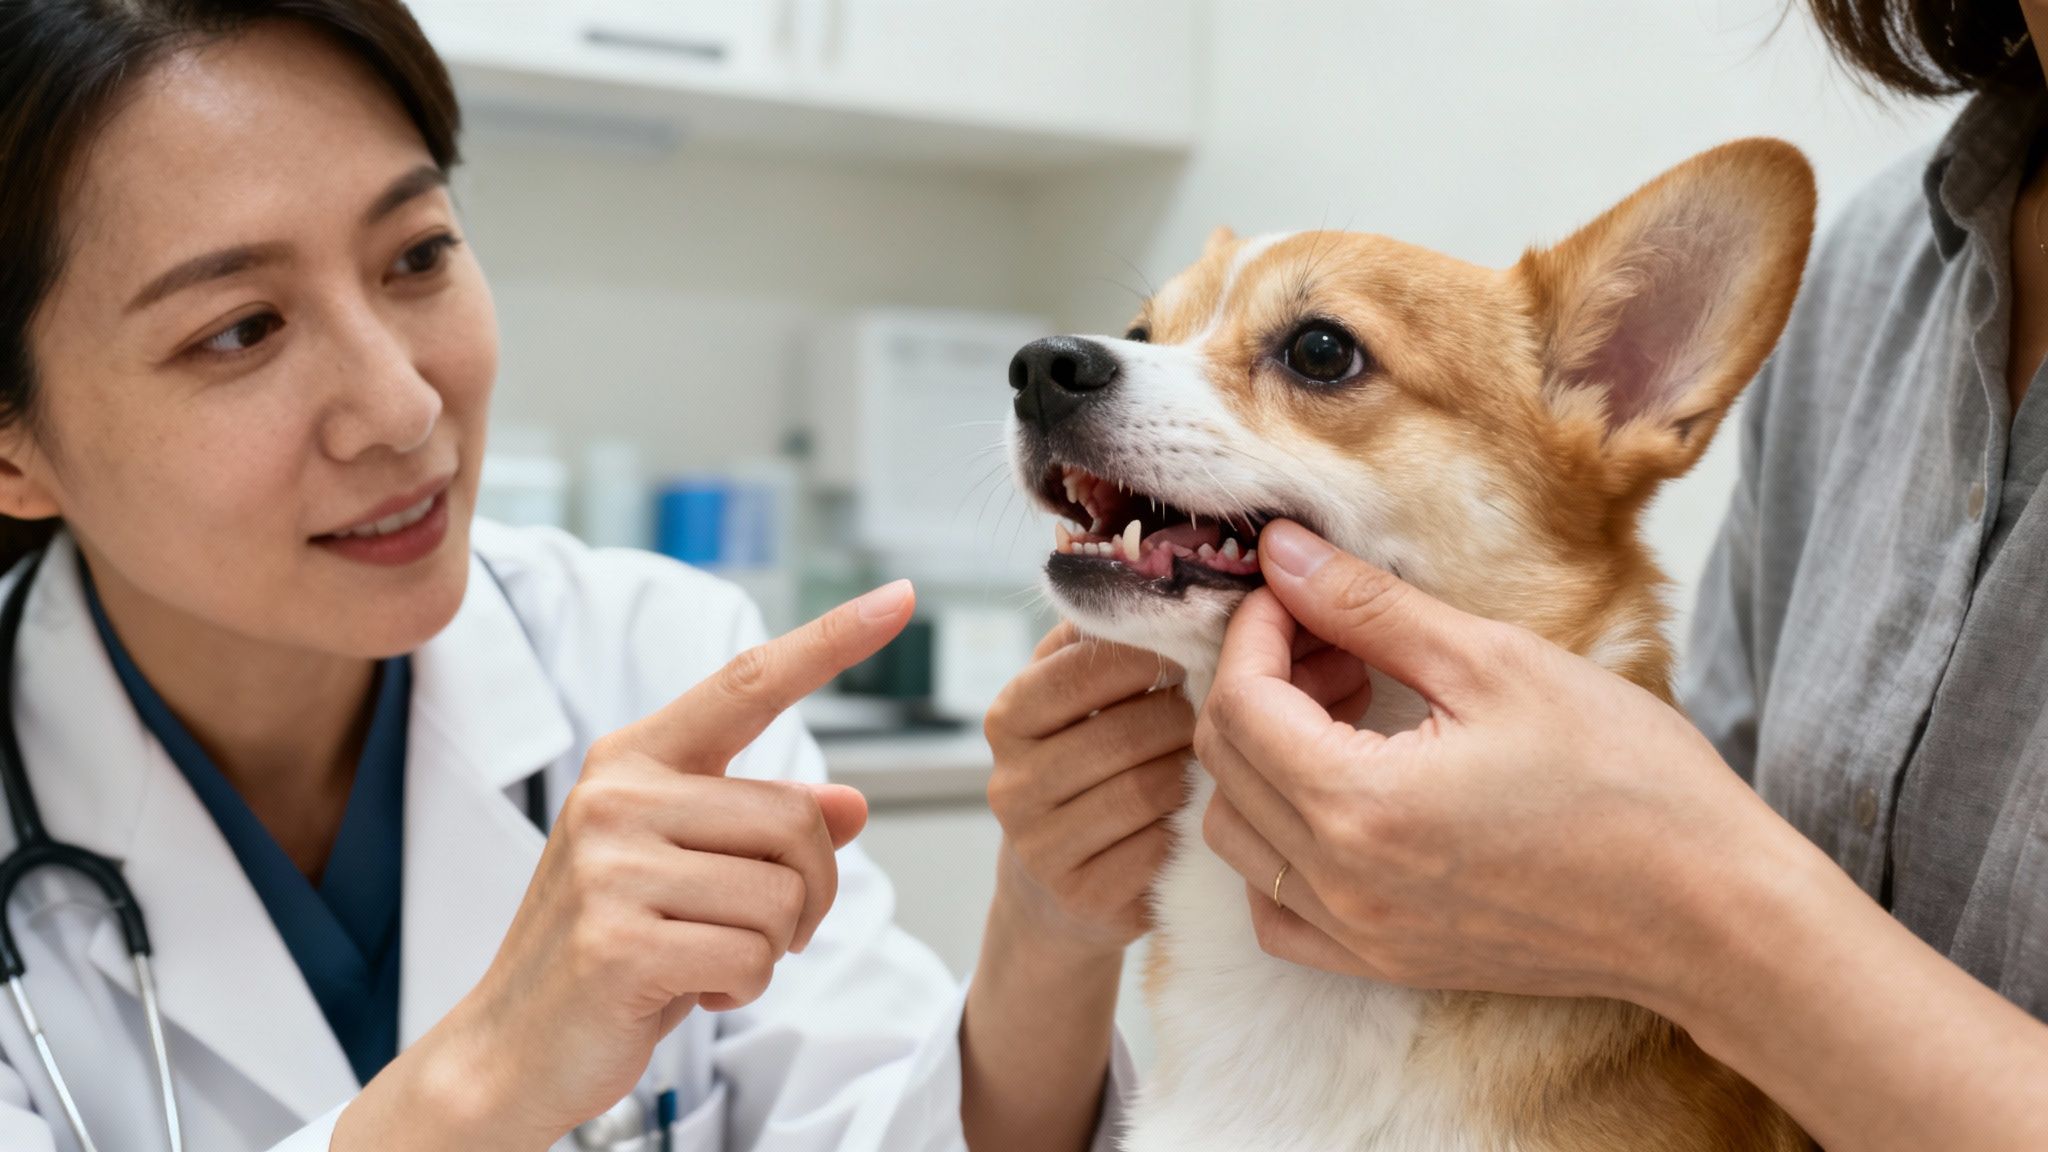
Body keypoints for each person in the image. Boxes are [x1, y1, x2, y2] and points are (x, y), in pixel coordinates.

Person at [0, 2, 1186, 1149]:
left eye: (416, 255)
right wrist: (490, 1079)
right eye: (239, 330)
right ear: (15, 444)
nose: (405, 407)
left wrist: (1049, 930)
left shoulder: (651, 658)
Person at [1192, 3, 2048, 1150]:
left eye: (1316, 356)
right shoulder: (1877, 277)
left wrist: (1687, 921)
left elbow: (1690, 851)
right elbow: (1723, 783)